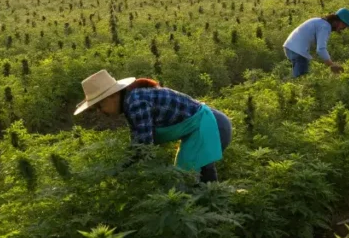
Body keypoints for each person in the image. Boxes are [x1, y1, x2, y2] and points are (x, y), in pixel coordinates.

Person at [74, 70, 232, 182]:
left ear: (113, 96)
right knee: (195, 180)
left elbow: (143, 147)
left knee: (189, 181)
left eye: (100, 106)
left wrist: (119, 171)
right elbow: (140, 142)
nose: (100, 112)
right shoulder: (132, 101)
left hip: (212, 126)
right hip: (210, 125)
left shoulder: (135, 103)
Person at [283, 8, 349, 78]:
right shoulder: (325, 26)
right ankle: (284, 84)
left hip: (292, 47)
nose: (344, 28)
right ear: (338, 21)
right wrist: (331, 65)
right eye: (344, 25)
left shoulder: (321, 22)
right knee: (300, 77)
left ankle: (284, 82)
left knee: (300, 75)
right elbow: (321, 49)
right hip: (297, 50)